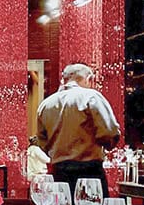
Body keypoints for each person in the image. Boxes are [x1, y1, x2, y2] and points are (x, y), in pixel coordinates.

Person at [37, 63, 121, 197]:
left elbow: (42, 142)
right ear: (88, 79)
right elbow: (109, 131)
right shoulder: (91, 97)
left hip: (59, 172)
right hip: (89, 171)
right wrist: (107, 145)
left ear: (64, 79)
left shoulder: (46, 104)